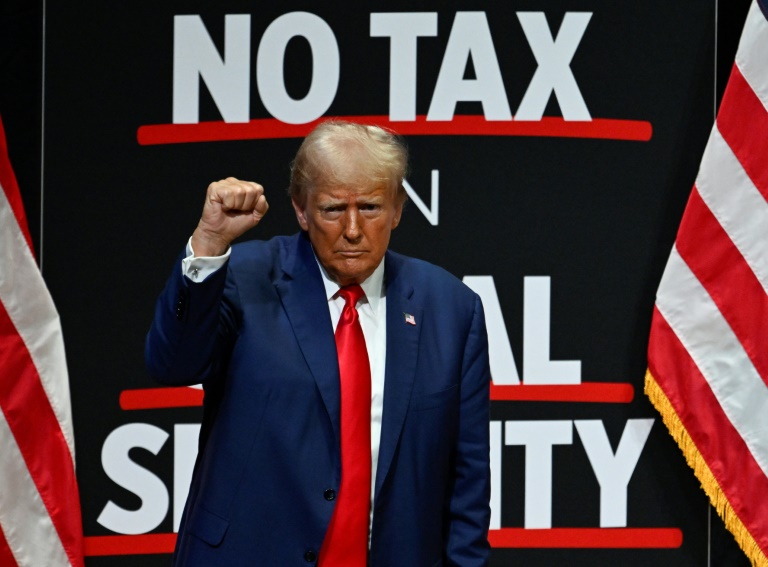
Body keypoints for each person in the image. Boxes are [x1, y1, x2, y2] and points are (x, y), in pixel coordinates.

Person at [146, 120, 491, 566]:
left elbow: (468, 483)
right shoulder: (245, 279)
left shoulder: (451, 309)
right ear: (301, 210)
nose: (353, 229)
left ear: (398, 209)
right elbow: (172, 364)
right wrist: (209, 242)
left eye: (370, 207)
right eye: (332, 209)